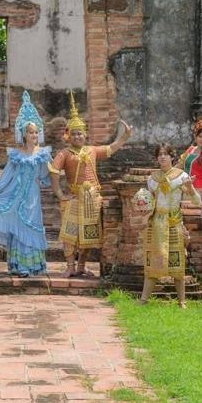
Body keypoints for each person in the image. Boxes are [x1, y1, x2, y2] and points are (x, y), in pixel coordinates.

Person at [49, 91, 133, 277]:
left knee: (89, 235)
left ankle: (81, 266)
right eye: (74, 134)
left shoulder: (92, 150)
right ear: (68, 136)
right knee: (69, 233)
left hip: (92, 197)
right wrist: (60, 194)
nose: (78, 137)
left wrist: (124, 137)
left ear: (85, 135)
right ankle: (70, 266)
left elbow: (111, 149)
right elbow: (53, 172)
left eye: (80, 133)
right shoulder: (64, 153)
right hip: (74, 197)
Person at [0, 91, 53, 277]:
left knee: (32, 224)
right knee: (18, 226)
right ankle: (19, 266)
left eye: (36, 132)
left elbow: (47, 176)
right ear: (24, 134)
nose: (34, 135)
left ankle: (35, 265)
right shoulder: (16, 155)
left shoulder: (43, 154)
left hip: (33, 197)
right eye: (30, 132)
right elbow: (7, 175)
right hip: (16, 195)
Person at [140, 143, 201, 307]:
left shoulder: (181, 176)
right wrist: (144, 214)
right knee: (153, 261)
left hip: (174, 222)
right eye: (159, 154)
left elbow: (196, 201)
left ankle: (182, 301)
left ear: (172, 156)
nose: (162, 157)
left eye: (166, 154)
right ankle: (143, 300)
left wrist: (190, 187)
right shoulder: (152, 179)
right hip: (157, 224)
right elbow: (149, 202)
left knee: (177, 263)